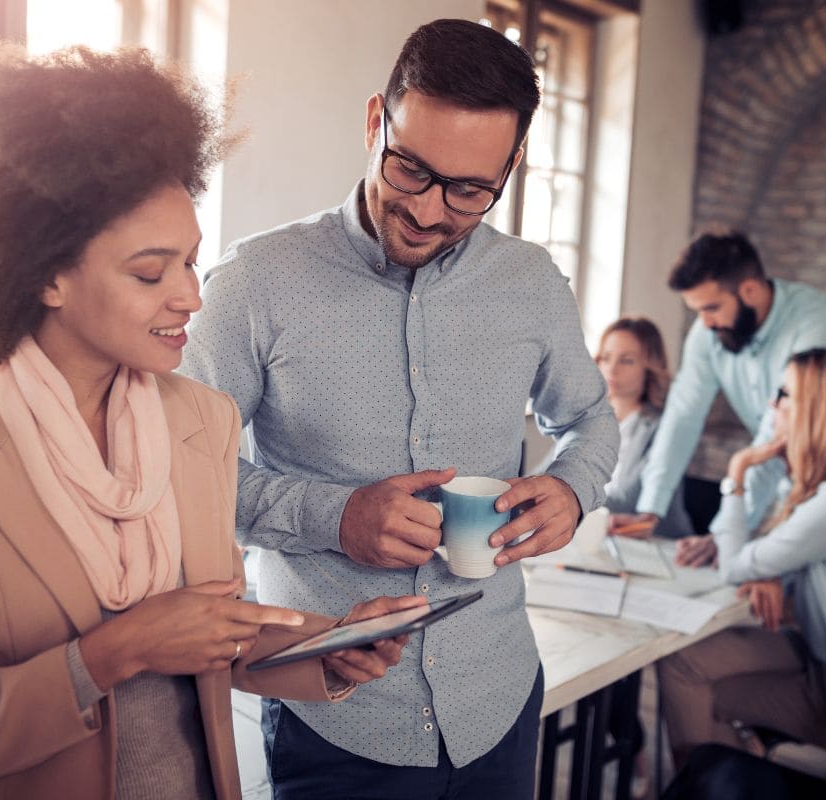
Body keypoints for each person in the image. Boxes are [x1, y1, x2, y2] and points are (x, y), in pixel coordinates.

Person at [0, 46, 418, 800]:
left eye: (190, 262)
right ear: (45, 274)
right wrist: (107, 655)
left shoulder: (202, 419)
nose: (190, 297)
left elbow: (205, 633)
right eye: (149, 272)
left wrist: (326, 647)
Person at [181, 19, 618, 799]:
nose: (426, 211)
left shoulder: (532, 285)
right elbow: (182, 478)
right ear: (375, 120)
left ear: (511, 167)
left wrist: (571, 488)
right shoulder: (253, 285)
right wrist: (335, 517)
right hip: (333, 714)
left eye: (469, 191)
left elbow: (590, 420)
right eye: (410, 169)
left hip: (498, 702)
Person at [657, 348, 826, 788]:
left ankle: (715, 786)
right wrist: (770, 569)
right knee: (683, 660)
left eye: (784, 394)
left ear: (819, 411)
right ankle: (729, 778)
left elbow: (734, 566)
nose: (771, 404)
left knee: (691, 685)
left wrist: (737, 474)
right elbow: (769, 551)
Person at [630, 230, 826, 567]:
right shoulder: (709, 333)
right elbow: (682, 416)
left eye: (712, 308)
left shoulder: (818, 323)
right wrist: (650, 510)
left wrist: (724, 532)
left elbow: (776, 433)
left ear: (749, 290)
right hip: (813, 473)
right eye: (697, 311)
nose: (706, 323)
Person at [595, 317, 693, 539]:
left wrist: (561, 495)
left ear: (650, 368)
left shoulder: (664, 428)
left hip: (661, 545)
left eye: (626, 360)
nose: (612, 369)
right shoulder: (589, 419)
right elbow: (549, 473)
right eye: (606, 358)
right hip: (603, 536)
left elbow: (627, 502)